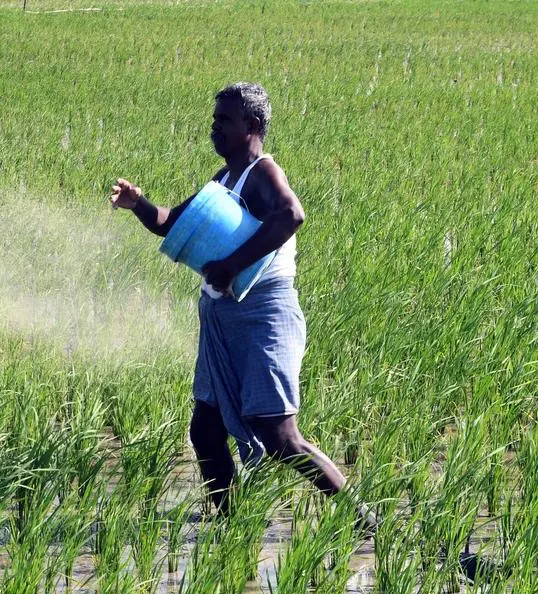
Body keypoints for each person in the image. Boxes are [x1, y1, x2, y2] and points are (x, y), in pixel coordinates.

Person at [109, 82, 365, 524]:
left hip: (264, 311)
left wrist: (230, 264)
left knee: (281, 437)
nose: (215, 128)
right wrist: (138, 204)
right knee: (205, 430)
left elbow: (292, 215)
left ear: (252, 125)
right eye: (214, 120)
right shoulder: (223, 179)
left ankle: (365, 520)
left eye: (224, 121)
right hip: (223, 318)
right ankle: (235, 526)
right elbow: (174, 223)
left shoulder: (264, 173)